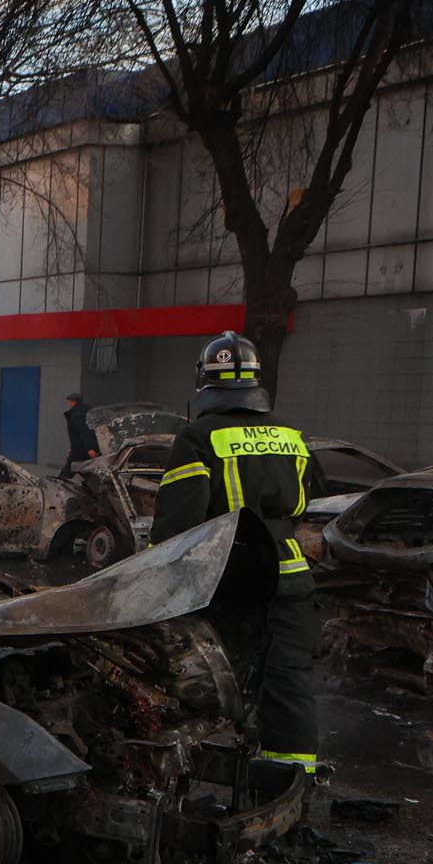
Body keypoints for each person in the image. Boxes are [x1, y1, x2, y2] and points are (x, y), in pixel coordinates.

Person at [150, 331, 323, 779]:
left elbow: (178, 523)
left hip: (232, 579)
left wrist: (151, 578)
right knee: (288, 681)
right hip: (291, 579)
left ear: (205, 382)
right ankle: (292, 782)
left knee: (211, 681)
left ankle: (200, 778)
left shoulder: (197, 436)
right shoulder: (290, 436)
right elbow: (305, 501)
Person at [60, 392, 99, 480]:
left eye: (70, 401)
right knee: (85, 471)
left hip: (80, 449)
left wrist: (90, 448)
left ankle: (58, 486)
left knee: (68, 471)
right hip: (81, 448)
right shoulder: (84, 411)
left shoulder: (79, 414)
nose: (69, 403)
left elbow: (85, 431)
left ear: (75, 402)